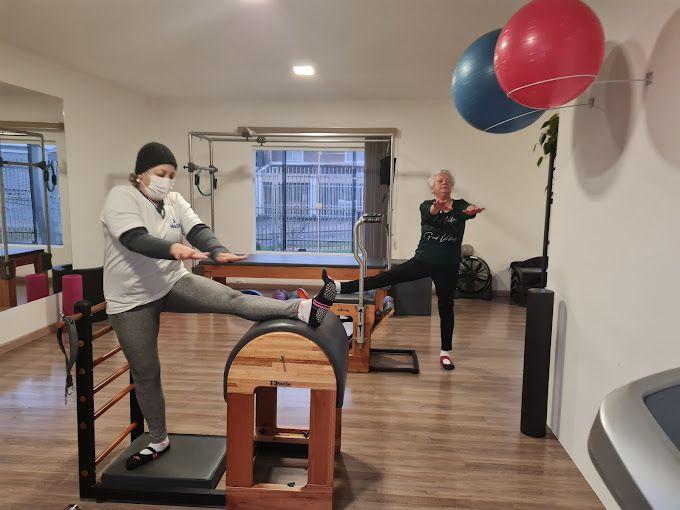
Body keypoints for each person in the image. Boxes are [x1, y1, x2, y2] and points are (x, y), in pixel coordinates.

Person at [101, 142, 337, 469]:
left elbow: (197, 228)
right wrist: (173, 249)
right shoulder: (121, 197)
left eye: (171, 175)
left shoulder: (173, 200)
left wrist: (216, 249)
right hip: (130, 299)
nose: (166, 180)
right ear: (141, 173)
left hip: (171, 281)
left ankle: (304, 310)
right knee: (146, 371)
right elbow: (134, 239)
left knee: (231, 298)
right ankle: (158, 439)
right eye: (160, 173)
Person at [330, 169, 484, 371]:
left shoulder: (460, 205)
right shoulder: (426, 205)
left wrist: (471, 210)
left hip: (449, 267)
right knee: (386, 277)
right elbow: (431, 213)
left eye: (447, 180)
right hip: (422, 261)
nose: (444, 183)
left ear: (452, 185)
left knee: (446, 308)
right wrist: (437, 208)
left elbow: (468, 210)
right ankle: (340, 287)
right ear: (433, 187)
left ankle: (445, 352)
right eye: (440, 180)